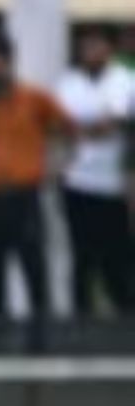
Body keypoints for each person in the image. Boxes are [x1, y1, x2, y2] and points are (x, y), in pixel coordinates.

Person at [0, 37, 73, 321]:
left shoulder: (33, 98)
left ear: (9, 63)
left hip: (23, 195)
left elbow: (68, 127)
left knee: (33, 265)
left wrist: (60, 166)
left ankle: (40, 337)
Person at [55, 24, 135, 316]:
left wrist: (86, 130)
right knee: (82, 257)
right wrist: (92, 129)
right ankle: (81, 321)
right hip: (77, 183)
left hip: (113, 186)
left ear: (110, 48)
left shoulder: (124, 80)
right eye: (85, 44)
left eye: (96, 44)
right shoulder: (69, 83)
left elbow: (114, 121)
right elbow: (62, 127)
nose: (89, 50)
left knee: (117, 257)